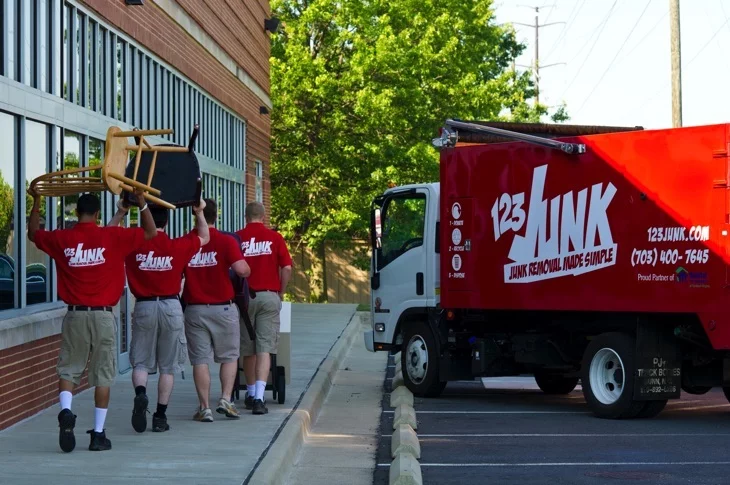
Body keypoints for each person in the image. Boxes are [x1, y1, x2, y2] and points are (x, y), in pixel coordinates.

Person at [27, 187, 157, 452]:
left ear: (77, 213)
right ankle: (98, 434)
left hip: (74, 315)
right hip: (103, 317)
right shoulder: (112, 236)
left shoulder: (62, 239)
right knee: (103, 376)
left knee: (68, 369)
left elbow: (32, 233)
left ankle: (66, 411)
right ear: (97, 214)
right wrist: (142, 204)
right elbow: (150, 232)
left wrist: (37, 201)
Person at [108, 199, 209, 434]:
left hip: (144, 306)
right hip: (171, 306)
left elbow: (110, 235)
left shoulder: (132, 246)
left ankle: (141, 395)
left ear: (145, 219)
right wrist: (199, 212)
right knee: (168, 367)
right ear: (167, 221)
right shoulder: (177, 246)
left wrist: (121, 211)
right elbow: (205, 237)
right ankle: (160, 416)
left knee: (141, 361)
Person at [182, 198, 251, 422]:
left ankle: (204, 408)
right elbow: (242, 270)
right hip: (223, 308)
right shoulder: (226, 241)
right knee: (229, 356)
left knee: (200, 360)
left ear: (196, 216)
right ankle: (225, 399)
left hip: (195, 310)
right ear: (216, 216)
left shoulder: (186, 242)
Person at [235, 201, 292, 415]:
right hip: (269, 295)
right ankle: (260, 397)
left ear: (245, 216)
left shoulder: (237, 238)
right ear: (264, 216)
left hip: (244, 298)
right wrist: (281, 291)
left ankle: (249, 393)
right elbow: (286, 268)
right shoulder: (275, 238)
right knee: (265, 347)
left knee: (247, 348)